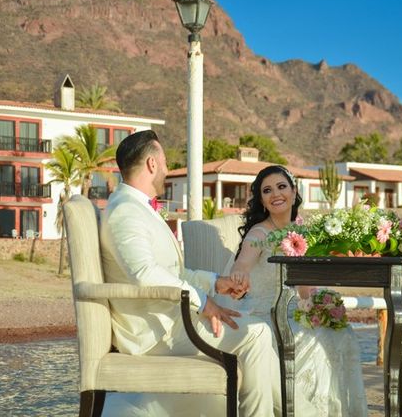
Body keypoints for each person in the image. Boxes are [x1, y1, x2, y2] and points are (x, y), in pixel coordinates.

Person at [99, 130, 282, 417]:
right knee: (257, 333)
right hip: (156, 332)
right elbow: (144, 274)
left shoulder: (135, 208)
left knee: (255, 327)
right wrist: (203, 301)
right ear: (151, 164)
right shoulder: (126, 211)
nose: (167, 170)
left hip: (171, 320)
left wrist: (215, 284)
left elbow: (175, 272)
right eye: (165, 162)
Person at [228, 165, 368, 417]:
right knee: (316, 340)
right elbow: (243, 263)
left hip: (295, 311)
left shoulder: (305, 231)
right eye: (267, 190)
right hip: (265, 315)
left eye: (281, 187)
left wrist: (321, 305)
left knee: (341, 332)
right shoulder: (259, 233)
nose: (275, 194)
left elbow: (305, 289)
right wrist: (239, 274)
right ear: (262, 200)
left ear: (294, 192)